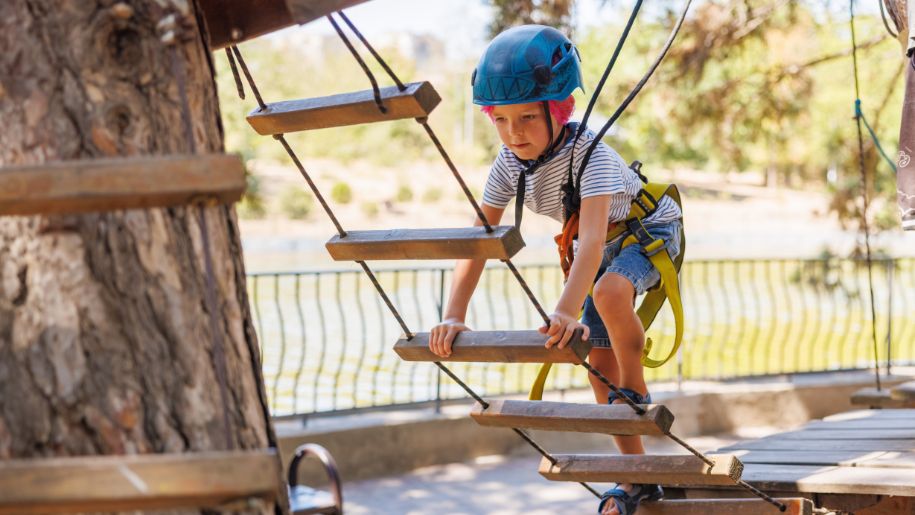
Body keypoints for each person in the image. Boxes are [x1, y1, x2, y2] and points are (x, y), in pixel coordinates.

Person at [427, 24, 683, 515]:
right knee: (594, 368)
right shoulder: (507, 164)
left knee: (608, 295)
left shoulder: (592, 157)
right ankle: (633, 479)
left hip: (647, 234)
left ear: (559, 109)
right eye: (500, 120)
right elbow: (480, 239)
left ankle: (636, 386)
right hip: (598, 251)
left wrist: (565, 309)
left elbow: (590, 240)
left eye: (526, 117)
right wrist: (453, 313)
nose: (513, 132)